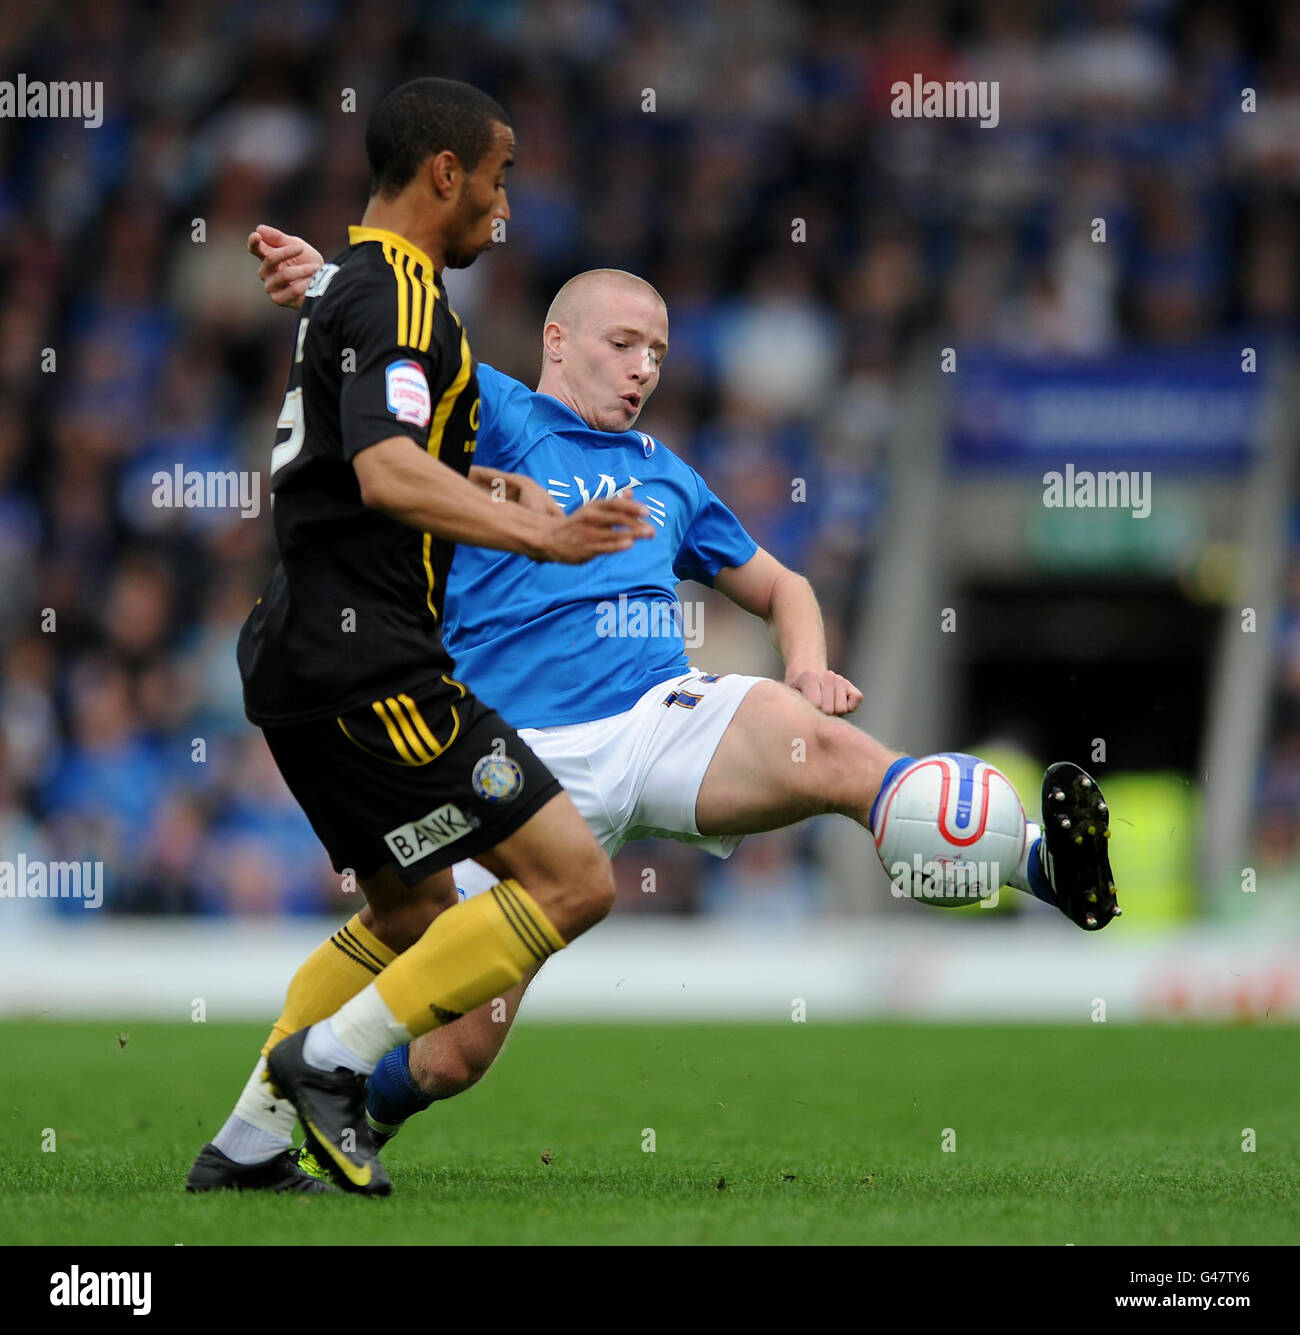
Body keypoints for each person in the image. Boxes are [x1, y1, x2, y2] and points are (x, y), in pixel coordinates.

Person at [248, 232, 1121, 1169]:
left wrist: (809, 666)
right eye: (622, 344)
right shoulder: (497, 413)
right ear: (555, 339)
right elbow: (410, 350)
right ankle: (337, 1122)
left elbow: (785, 586)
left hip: (660, 716)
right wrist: (331, 285)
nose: (643, 369)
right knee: (453, 1057)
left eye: (658, 352)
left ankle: (1044, 868)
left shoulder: (669, 474)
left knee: (825, 748)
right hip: (514, 763)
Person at [186, 78, 654, 1198]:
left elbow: (365, 456)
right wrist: (539, 541)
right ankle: (330, 1062)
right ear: (445, 171)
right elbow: (384, 471)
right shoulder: (397, 295)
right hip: (373, 663)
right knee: (574, 880)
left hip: (301, 653)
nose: (505, 200)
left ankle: (246, 1146)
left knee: (409, 910)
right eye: (496, 174)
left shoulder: (364, 282)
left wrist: (486, 485)